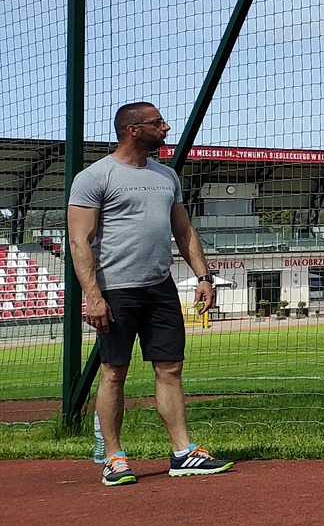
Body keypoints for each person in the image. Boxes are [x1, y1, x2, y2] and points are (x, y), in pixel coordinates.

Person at [69, 102, 233, 485]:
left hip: (160, 287)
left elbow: (184, 230)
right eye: (157, 122)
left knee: (171, 368)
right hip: (115, 289)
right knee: (113, 372)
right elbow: (80, 241)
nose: (166, 126)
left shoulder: (166, 176)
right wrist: (93, 295)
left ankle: (182, 453)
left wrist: (204, 276)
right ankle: (114, 457)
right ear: (133, 130)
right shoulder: (95, 177)